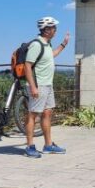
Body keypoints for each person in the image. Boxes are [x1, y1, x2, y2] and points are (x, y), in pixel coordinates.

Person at [24, 16, 70, 159]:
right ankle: (30, 146)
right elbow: (27, 65)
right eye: (53, 28)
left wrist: (63, 44)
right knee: (33, 115)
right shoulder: (37, 45)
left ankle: (48, 145)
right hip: (39, 85)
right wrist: (33, 87)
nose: (55, 30)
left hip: (48, 85)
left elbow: (51, 56)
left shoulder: (47, 44)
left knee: (47, 113)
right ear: (46, 30)